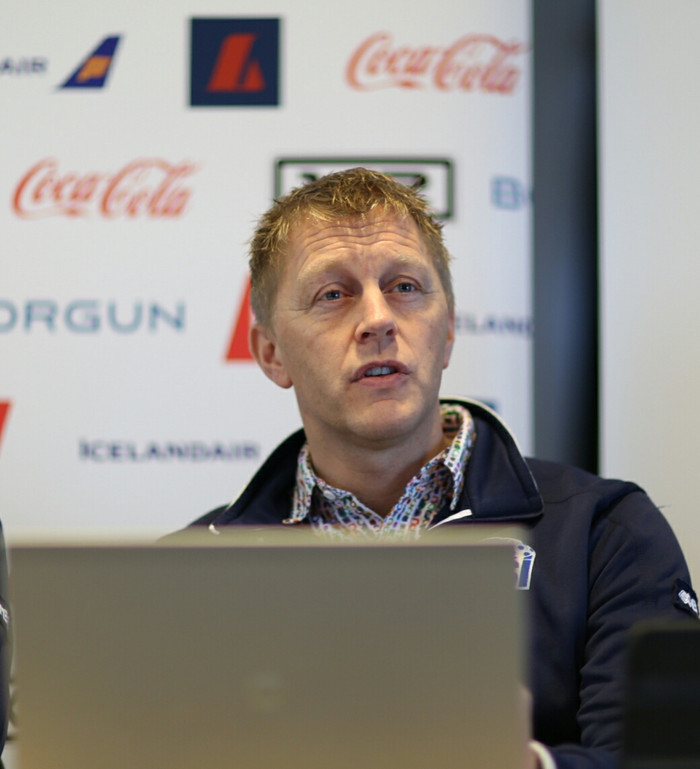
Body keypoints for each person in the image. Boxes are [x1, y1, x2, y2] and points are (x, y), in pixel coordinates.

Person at [188, 167, 698, 769]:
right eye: (333, 294)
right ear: (271, 353)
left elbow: (663, 761)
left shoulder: (604, 533)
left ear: (449, 330)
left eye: (404, 286)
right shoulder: (188, 571)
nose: (378, 319)